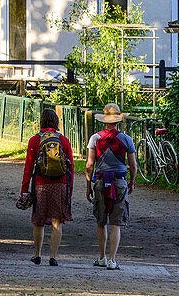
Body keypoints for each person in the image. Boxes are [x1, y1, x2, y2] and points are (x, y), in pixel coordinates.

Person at [86, 102, 138, 271]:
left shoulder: (95, 138)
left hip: (101, 182)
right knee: (116, 223)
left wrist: (88, 185)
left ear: (104, 120)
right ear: (117, 120)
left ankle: (101, 258)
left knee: (101, 222)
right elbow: (133, 166)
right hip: (120, 182)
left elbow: (89, 165)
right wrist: (131, 182)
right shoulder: (126, 139)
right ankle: (112, 261)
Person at [18, 108, 74, 266]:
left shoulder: (35, 140)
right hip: (60, 184)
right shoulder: (63, 140)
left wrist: (24, 190)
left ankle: (37, 255)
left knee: (39, 221)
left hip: (41, 184)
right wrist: (70, 189)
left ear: (41, 121)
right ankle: (53, 257)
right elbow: (70, 166)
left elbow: (28, 167)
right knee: (57, 221)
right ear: (56, 122)